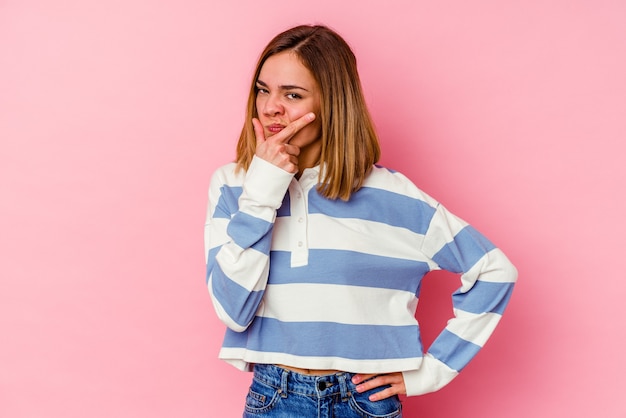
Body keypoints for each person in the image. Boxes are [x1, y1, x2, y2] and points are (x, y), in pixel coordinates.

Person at [204, 24, 517, 417]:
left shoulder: (392, 195)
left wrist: (431, 372)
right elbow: (233, 311)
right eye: (263, 90)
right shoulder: (234, 185)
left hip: (363, 402)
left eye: (293, 94)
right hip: (274, 398)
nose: (270, 108)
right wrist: (263, 192)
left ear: (332, 102)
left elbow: (494, 270)